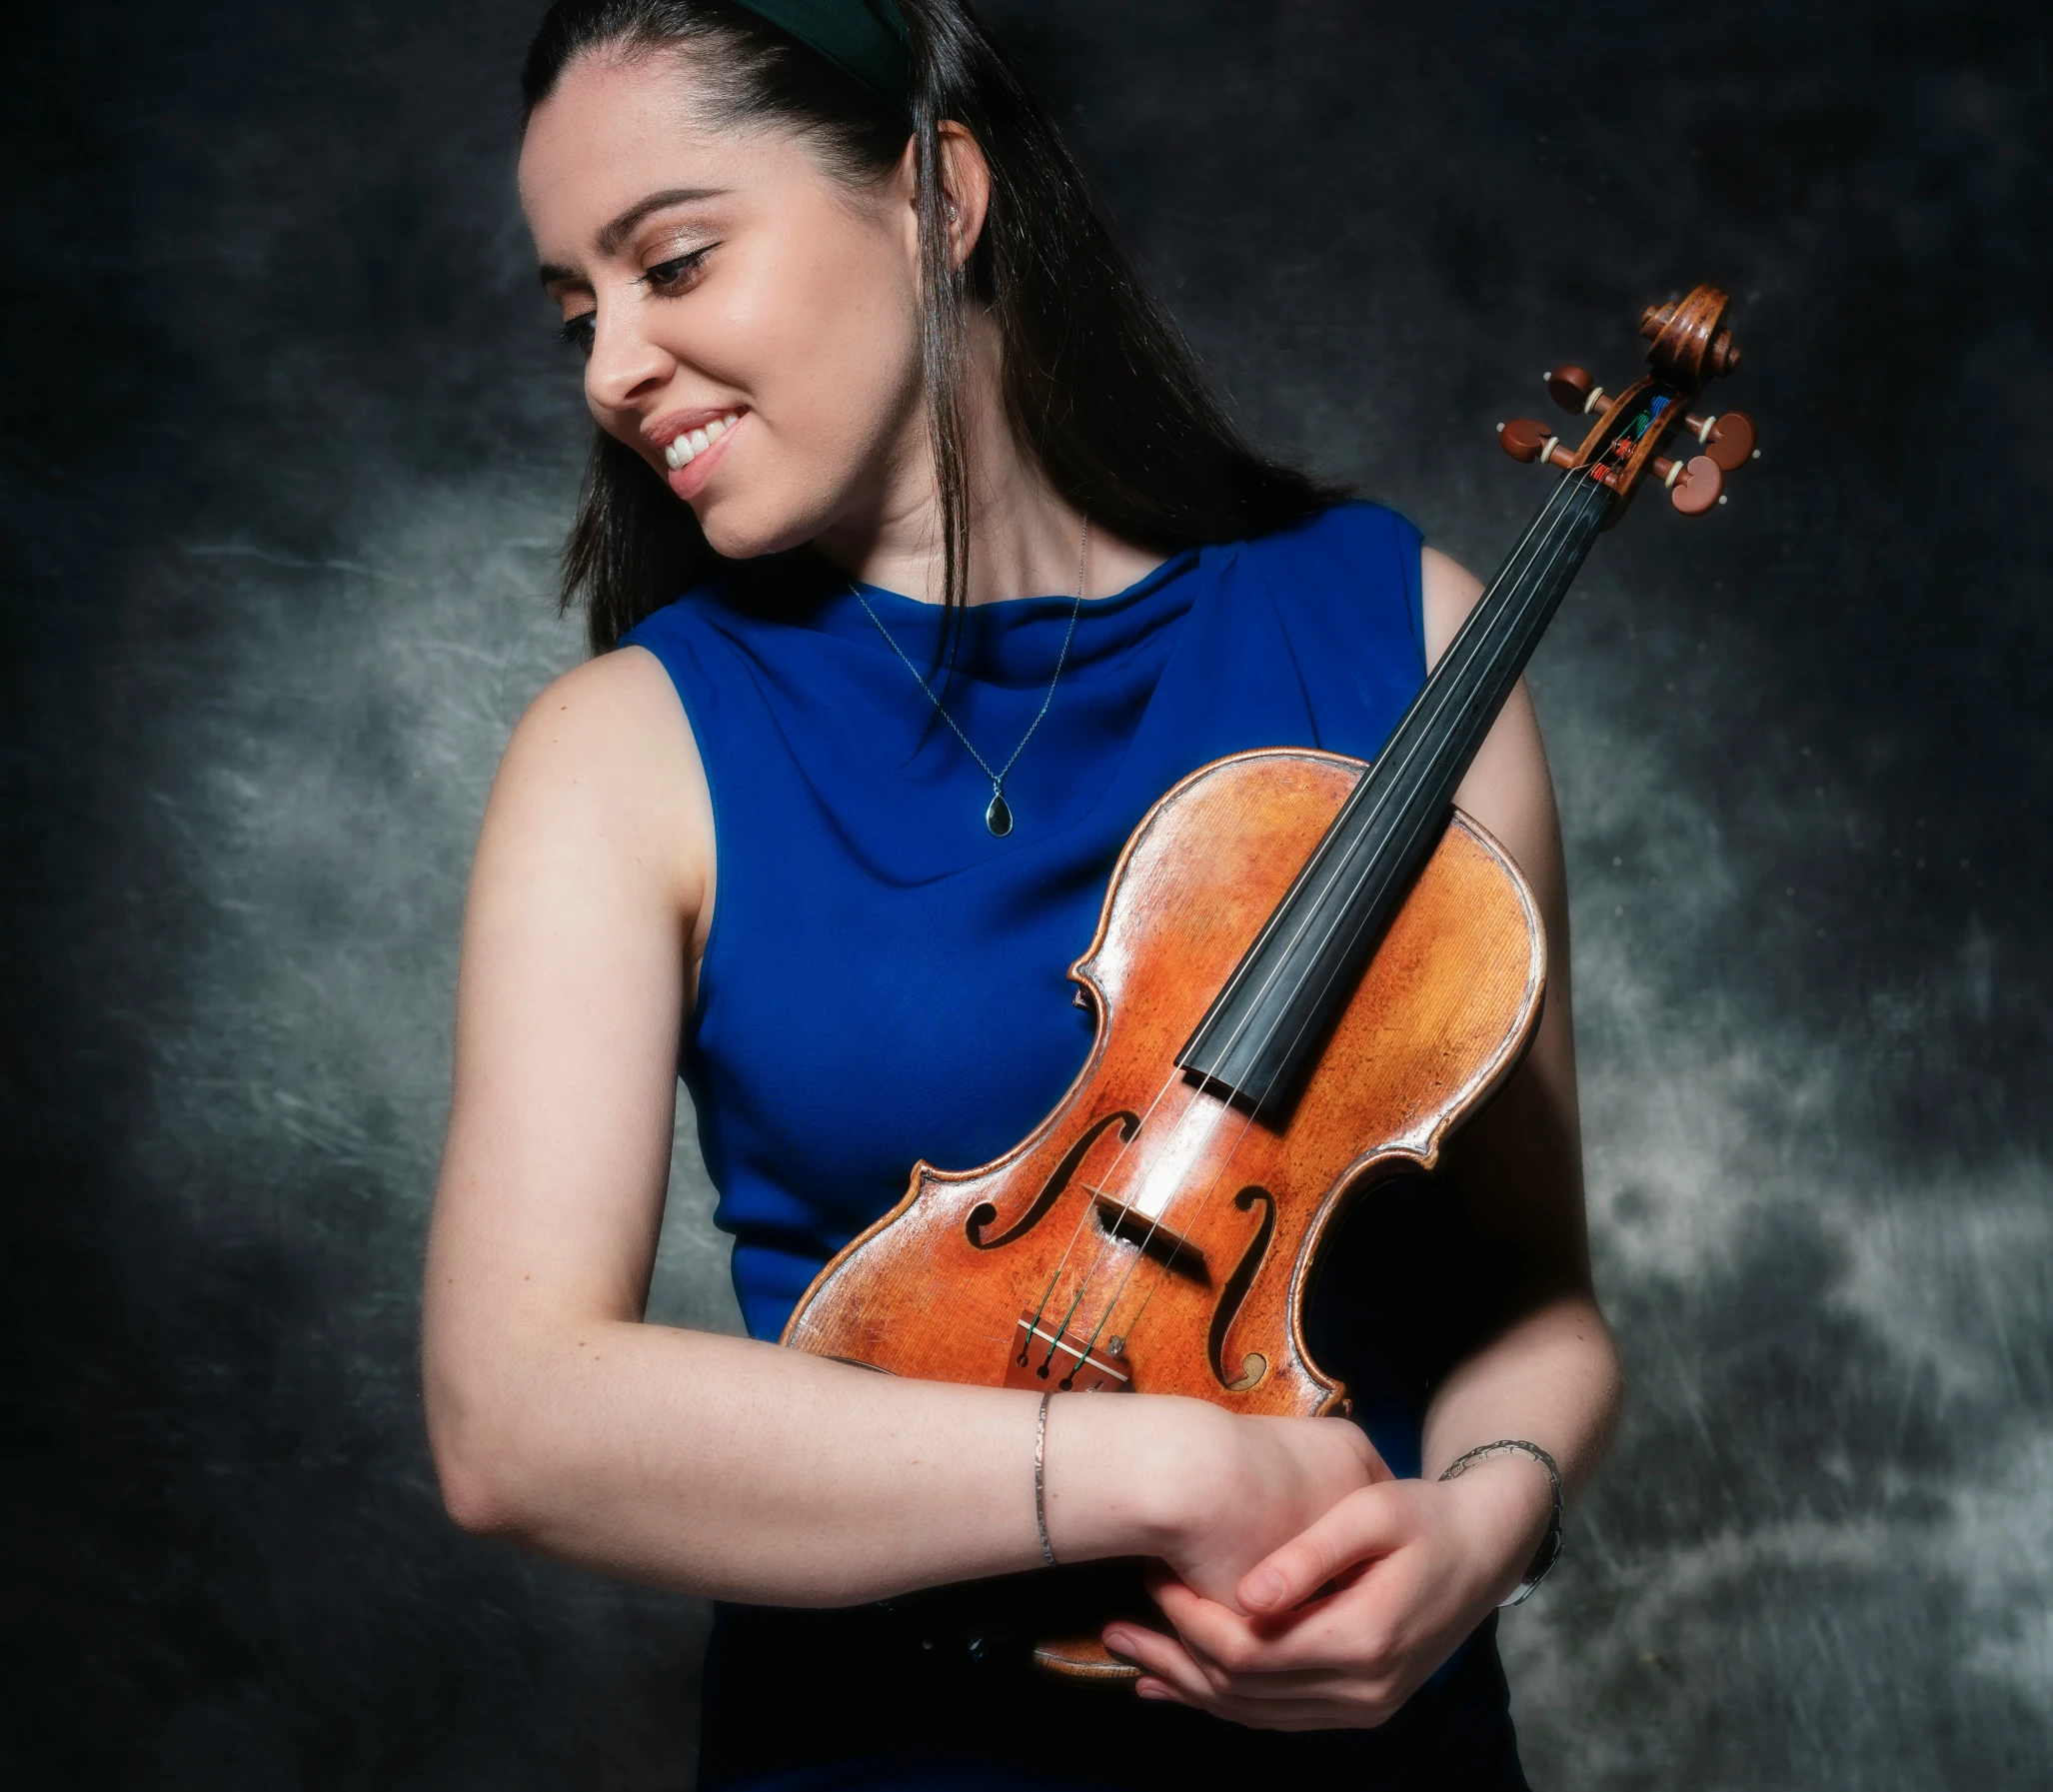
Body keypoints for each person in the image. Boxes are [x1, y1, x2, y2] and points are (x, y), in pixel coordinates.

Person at [422, 2, 1622, 1785]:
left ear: (936, 194)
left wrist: (1478, 1533)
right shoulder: (624, 751)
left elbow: (1531, 1299)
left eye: (671, 261)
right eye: (578, 312)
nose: (612, 365)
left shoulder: (1407, 637)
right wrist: (1149, 1470)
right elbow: (513, 1421)